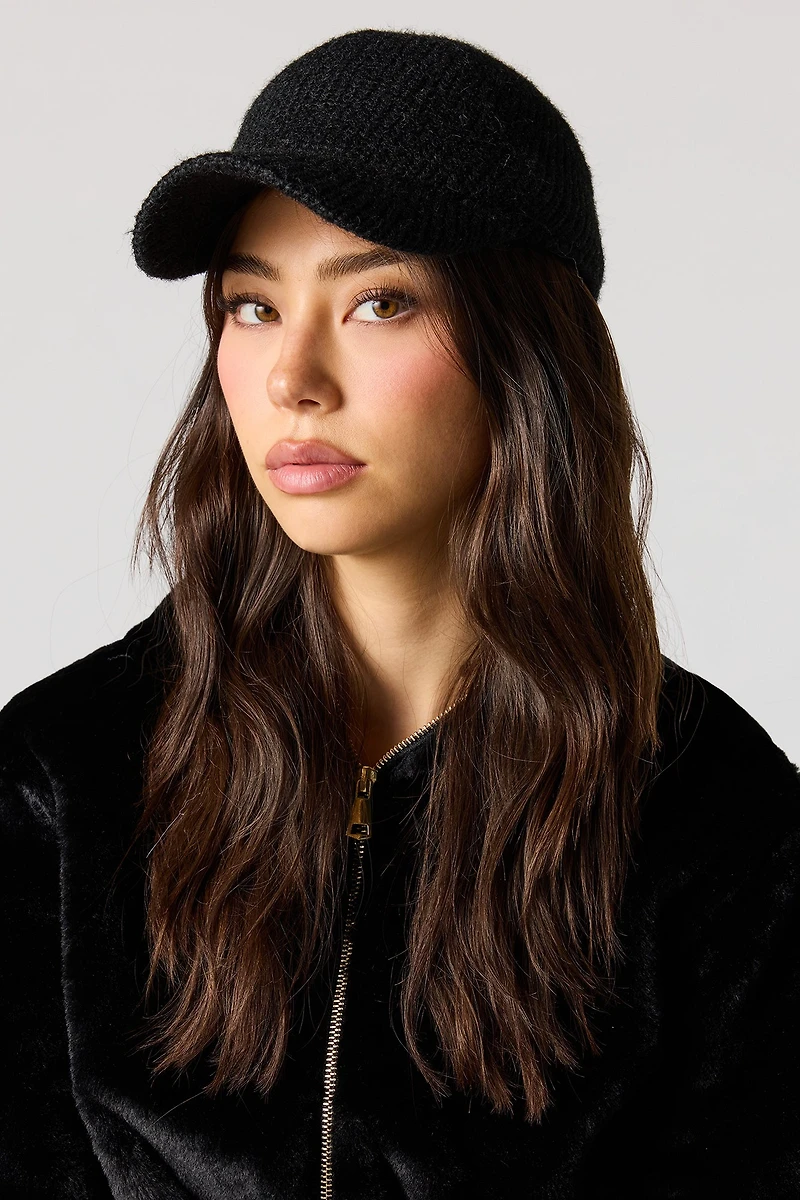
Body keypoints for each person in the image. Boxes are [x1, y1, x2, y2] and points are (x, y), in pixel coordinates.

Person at [1, 27, 798, 1200]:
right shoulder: (59, 774)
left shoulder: (712, 812)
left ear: (524, 352)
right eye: (252, 306)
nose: (292, 380)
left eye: (378, 302)